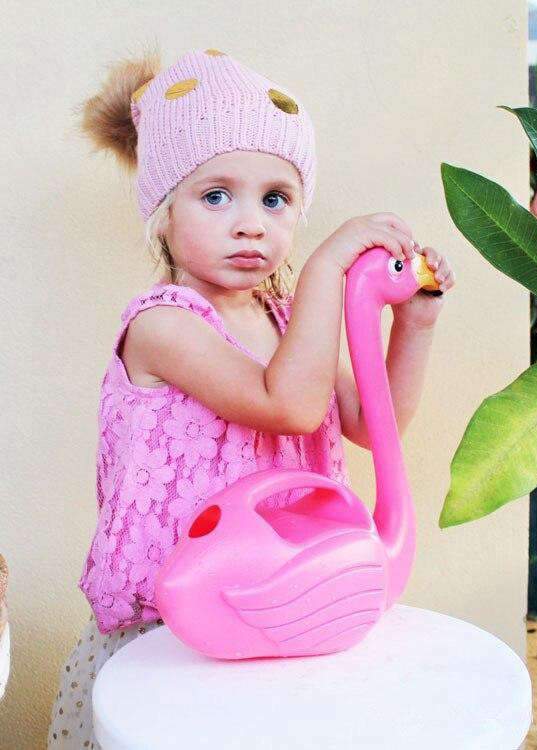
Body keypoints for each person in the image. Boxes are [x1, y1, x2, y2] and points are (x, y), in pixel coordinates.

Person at [48, 44, 455, 747]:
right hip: (171, 632)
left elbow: (371, 424)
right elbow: (287, 406)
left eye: (276, 199)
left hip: (276, 609)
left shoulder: (291, 322)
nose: (251, 223)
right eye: (216, 196)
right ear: (162, 213)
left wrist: (414, 325)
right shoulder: (163, 325)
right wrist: (329, 268)